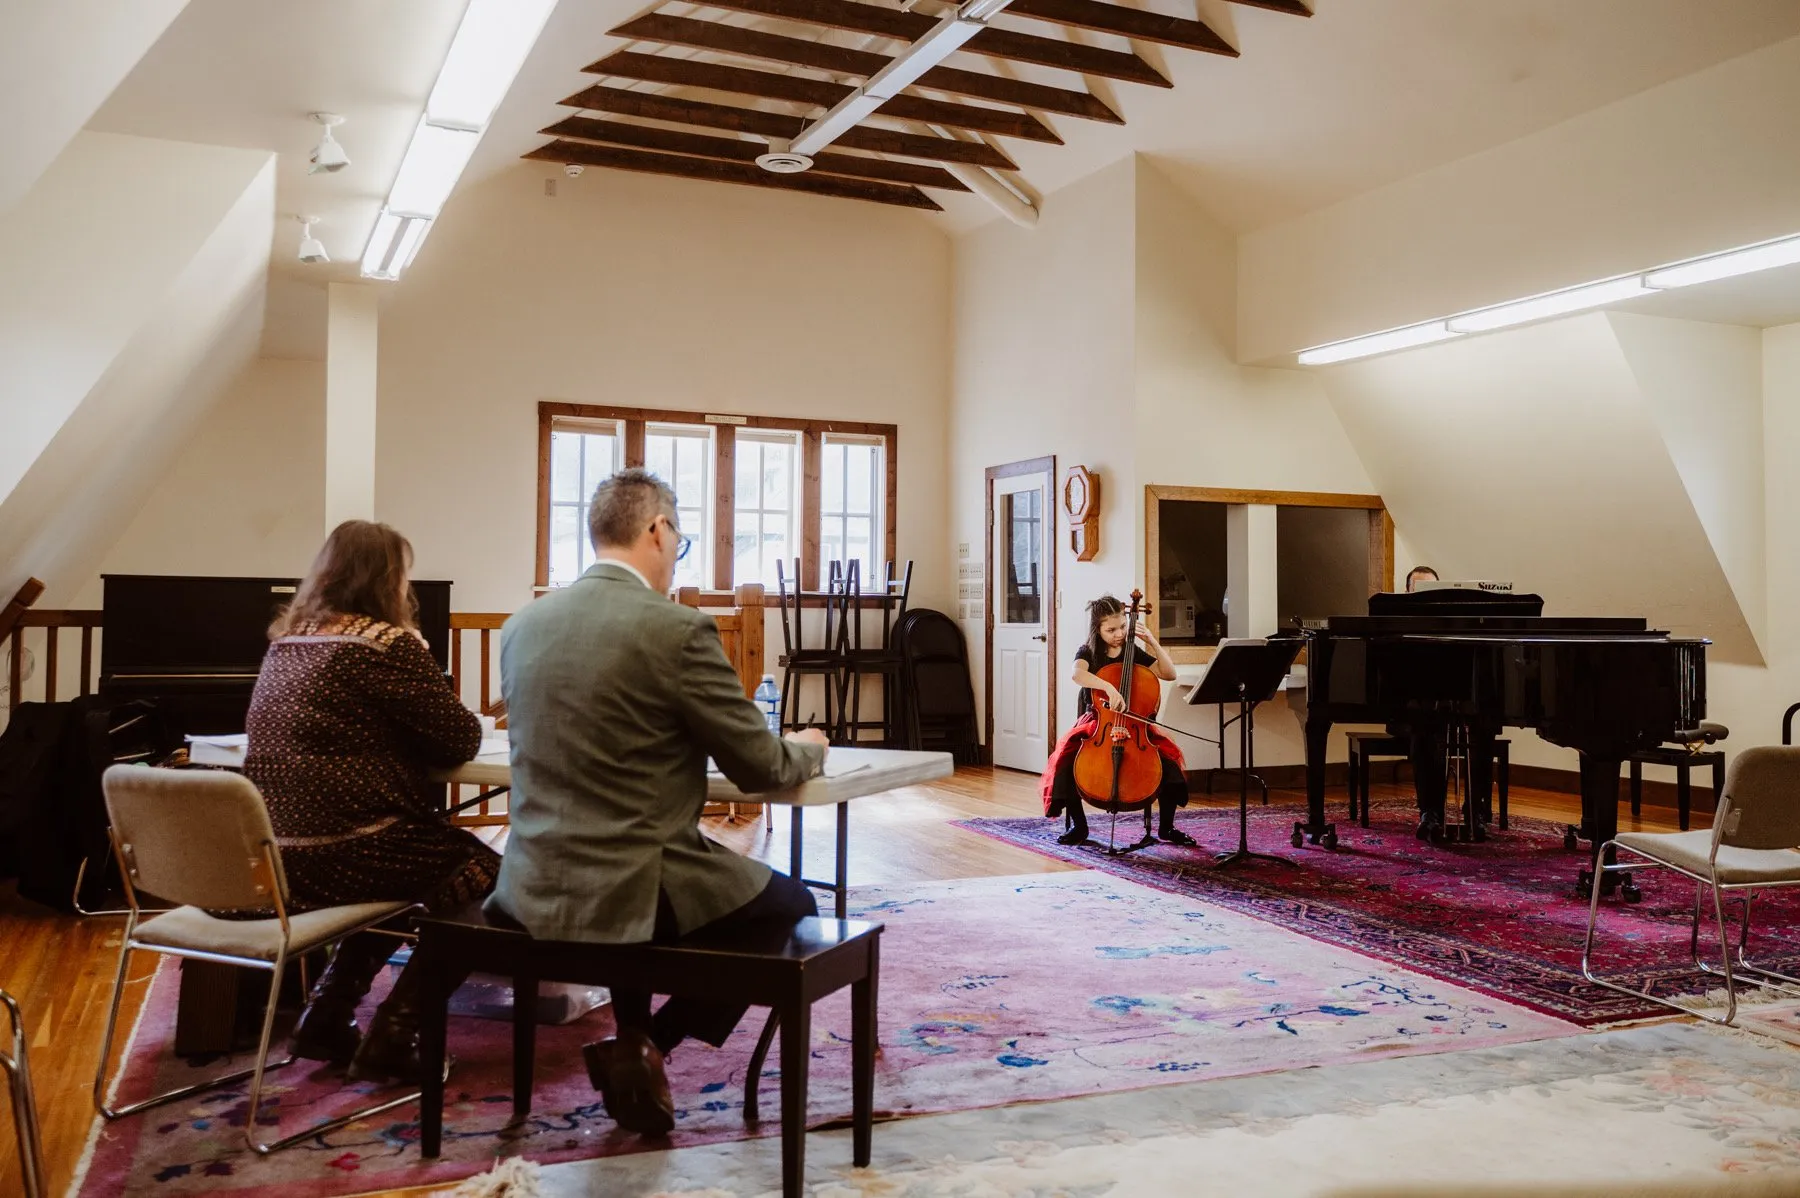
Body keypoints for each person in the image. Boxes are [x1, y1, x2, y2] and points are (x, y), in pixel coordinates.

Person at [489, 468, 829, 1138]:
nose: (677, 555)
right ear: (658, 529)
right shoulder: (675, 630)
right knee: (794, 908)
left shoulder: (521, 626)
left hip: (531, 882)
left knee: (634, 901)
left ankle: (636, 1041)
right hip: (633, 882)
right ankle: (645, 1047)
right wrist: (808, 745)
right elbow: (759, 767)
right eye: (681, 538)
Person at [244, 520, 492, 1083]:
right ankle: (397, 1028)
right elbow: (460, 739)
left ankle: (325, 1016)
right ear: (388, 580)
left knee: (403, 874)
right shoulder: (386, 644)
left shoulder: (288, 641)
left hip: (275, 854)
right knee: (487, 870)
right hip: (347, 848)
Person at [1039, 595, 1194, 848]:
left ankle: (1166, 828)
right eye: (1110, 630)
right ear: (1097, 629)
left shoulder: (1134, 652)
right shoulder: (1089, 651)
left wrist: (1153, 641)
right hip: (1098, 724)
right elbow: (1077, 674)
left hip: (1135, 729)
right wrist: (1108, 687)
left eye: (1122, 627)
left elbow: (1169, 673)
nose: (1118, 633)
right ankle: (1080, 827)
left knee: (1170, 768)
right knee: (1066, 765)